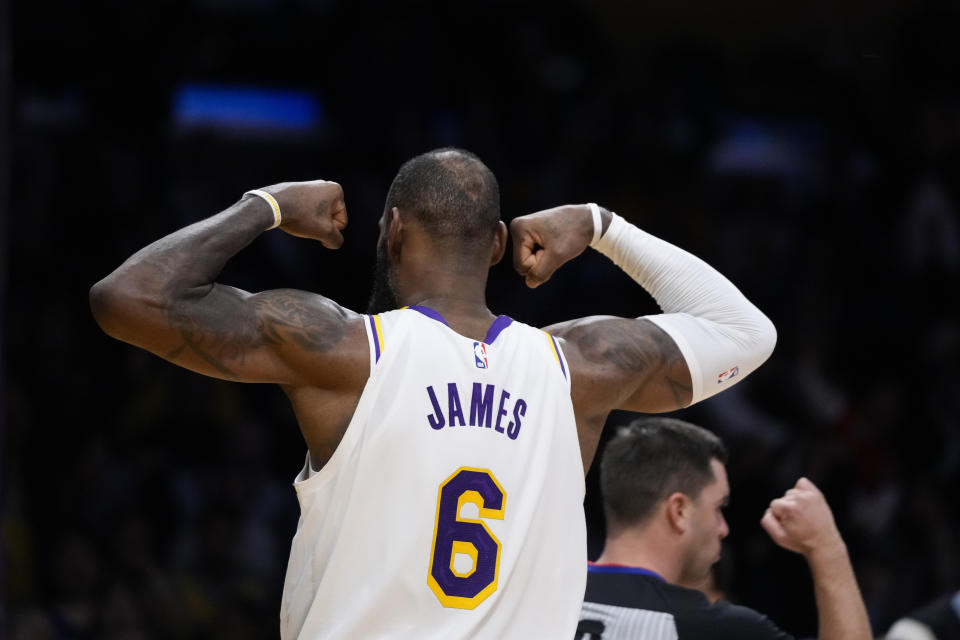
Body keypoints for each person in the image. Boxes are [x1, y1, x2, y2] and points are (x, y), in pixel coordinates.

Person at [90, 148, 776, 638]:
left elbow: (126, 298)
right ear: (500, 242)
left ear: (391, 232)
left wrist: (266, 205)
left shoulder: (345, 350)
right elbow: (745, 332)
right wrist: (600, 226)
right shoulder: (578, 369)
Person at [577, 417, 872, 640]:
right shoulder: (714, 628)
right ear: (679, 511)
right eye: (718, 508)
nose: (723, 528)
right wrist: (826, 546)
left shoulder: (543, 586)